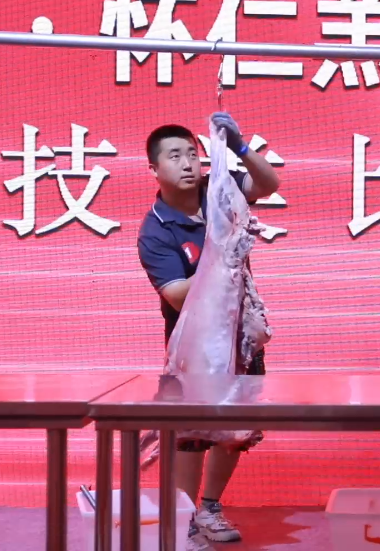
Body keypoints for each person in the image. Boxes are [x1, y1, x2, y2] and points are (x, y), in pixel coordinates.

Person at [136, 112, 280, 550]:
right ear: (154, 168)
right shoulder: (155, 229)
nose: (187, 163)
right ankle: (183, 520)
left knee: (234, 430)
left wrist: (239, 146)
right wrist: (222, 253)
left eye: (192, 154)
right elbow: (177, 295)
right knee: (190, 435)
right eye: (174, 156)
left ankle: (210, 508)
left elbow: (268, 184)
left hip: (241, 338)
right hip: (194, 348)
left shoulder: (218, 189)